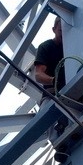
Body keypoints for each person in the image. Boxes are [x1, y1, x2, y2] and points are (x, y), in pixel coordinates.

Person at [33, 17, 68, 157]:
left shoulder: (75, 45)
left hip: (72, 93)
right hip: (52, 93)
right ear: (54, 30)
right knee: (45, 116)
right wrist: (54, 80)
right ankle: (59, 146)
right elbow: (38, 75)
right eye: (60, 30)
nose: (63, 34)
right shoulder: (46, 47)